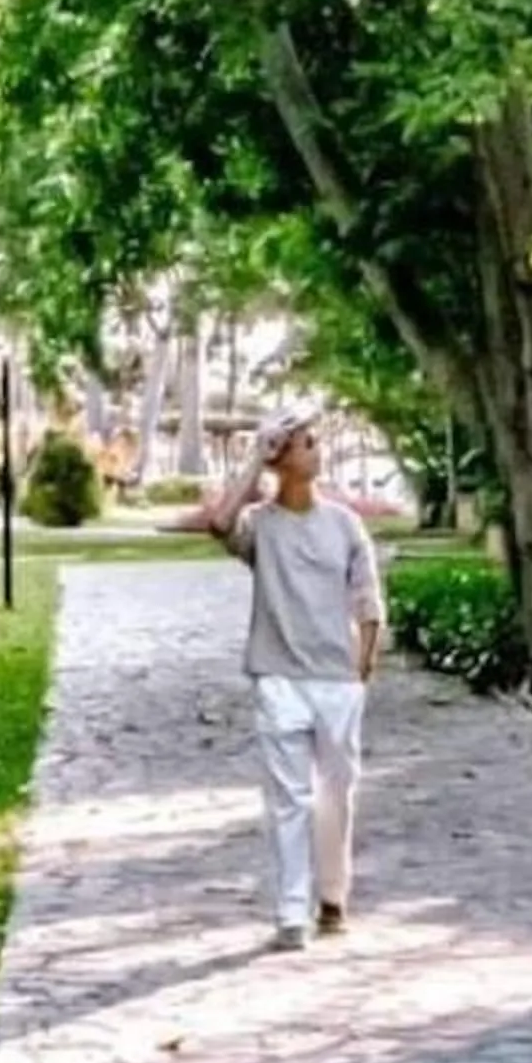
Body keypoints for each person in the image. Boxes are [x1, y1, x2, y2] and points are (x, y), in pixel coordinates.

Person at [161, 401, 384, 949]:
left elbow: (368, 601)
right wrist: (254, 463)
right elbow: (218, 522)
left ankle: (332, 899)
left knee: (337, 794)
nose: (317, 450)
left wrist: (362, 669)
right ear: (282, 458)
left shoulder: (344, 524)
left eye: (313, 442)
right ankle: (290, 914)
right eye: (306, 443)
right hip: (279, 679)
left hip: (336, 681)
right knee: (288, 800)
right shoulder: (260, 527)